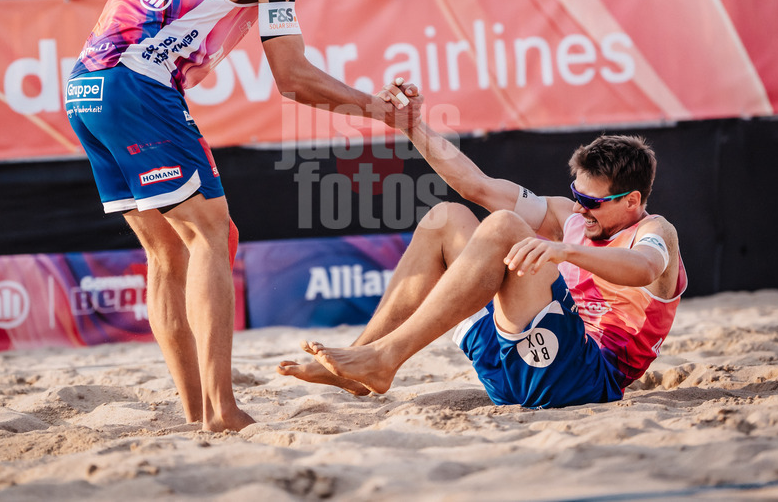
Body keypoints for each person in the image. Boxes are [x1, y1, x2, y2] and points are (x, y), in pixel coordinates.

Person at [63, 0, 419, 432]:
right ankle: (222, 411)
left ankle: (199, 412)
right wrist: (378, 109)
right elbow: (293, 79)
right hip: (135, 87)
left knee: (168, 254)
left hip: (85, 88)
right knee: (212, 234)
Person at [281, 122, 686, 412]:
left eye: (592, 201)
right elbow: (477, 186)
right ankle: (358, 360)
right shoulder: (571, 218)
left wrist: (566, 252)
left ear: (631, 200)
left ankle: (387, 357)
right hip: (510, 373)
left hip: (583, 380)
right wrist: (410, 125)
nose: (579, 207)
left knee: (508, 226)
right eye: (576, 193)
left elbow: (643, 267)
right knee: (446, 217)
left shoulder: (656, 231)